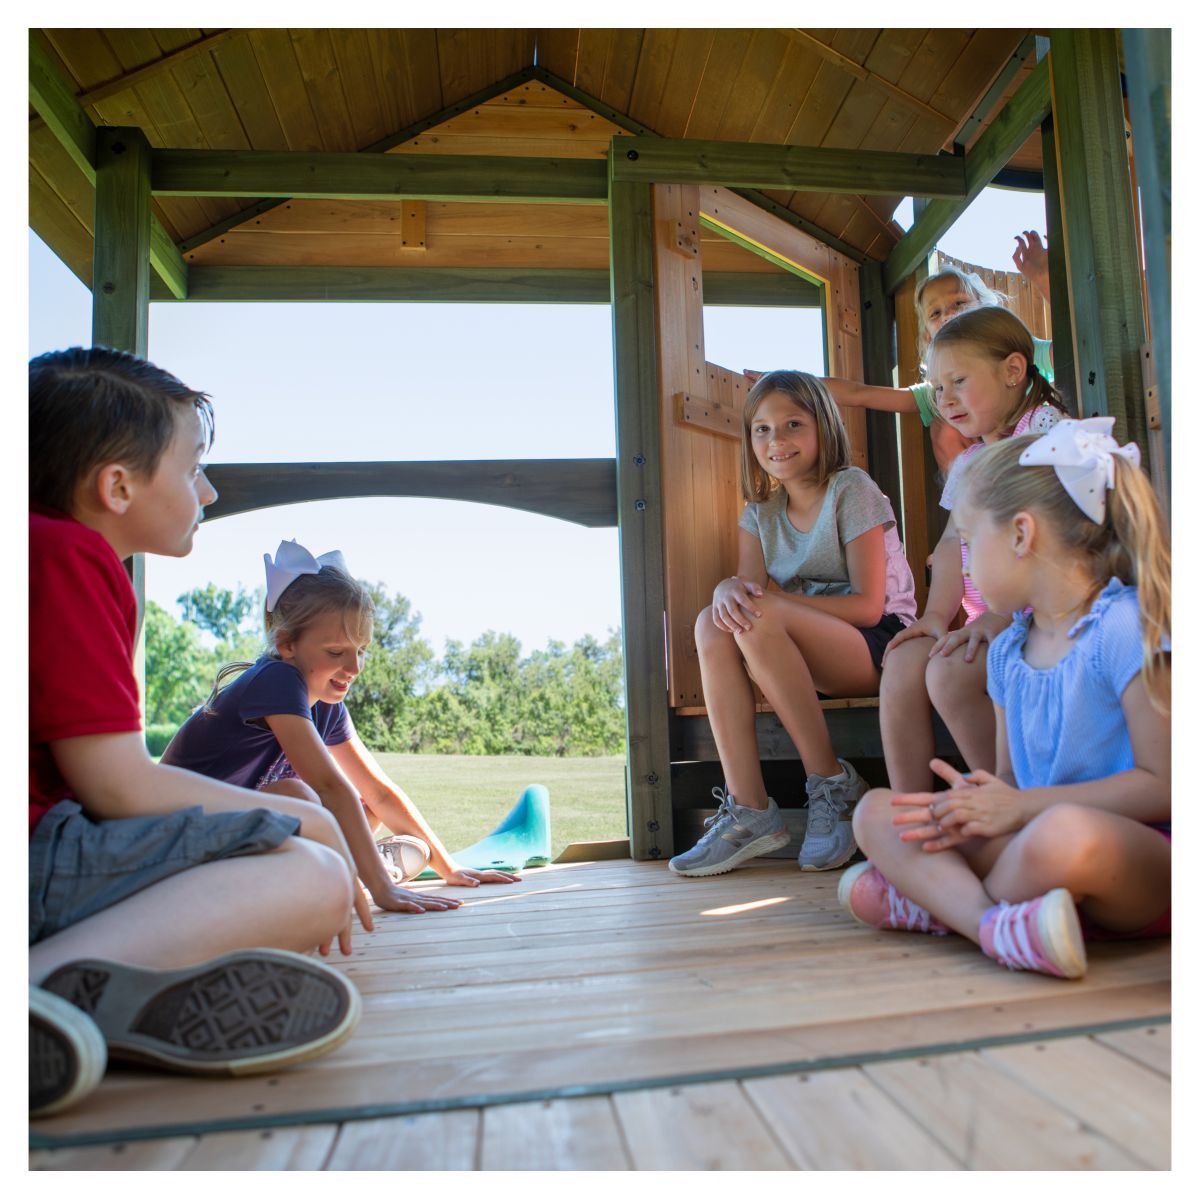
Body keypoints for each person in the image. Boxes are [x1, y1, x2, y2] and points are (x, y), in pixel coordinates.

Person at [29, 348, 364, 1117]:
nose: (208, 490)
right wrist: (298, 821)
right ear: (117, 485)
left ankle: (101, 1002)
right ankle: (43, 993)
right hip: (39, 858)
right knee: (311, 872)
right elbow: (117, 786)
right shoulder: (71, 556)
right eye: (192, 470)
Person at [840, 421, 1170, 979]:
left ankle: (939, 904)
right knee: (878, 813)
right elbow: (1012, 784)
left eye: (969, 543)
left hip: (1137, 862)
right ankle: (999, 926)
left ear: (1021, 535)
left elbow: (1167, 787)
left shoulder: (1126, 627)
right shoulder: (1006, 653)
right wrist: (972, 806)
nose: (963, 566)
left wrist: (1017, 811)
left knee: (1062, 833)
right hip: (1034, 844)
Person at [162, 540, 521, 910]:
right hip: (177, 847)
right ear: (286, 644)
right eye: (336, 653)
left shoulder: (325, 704)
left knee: (365, 806)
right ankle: (361, 872)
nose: (354, 668)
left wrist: (450, 868)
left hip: (234, 840)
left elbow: (378, 793)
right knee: (299, 797)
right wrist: (383, 891)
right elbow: (330, 786)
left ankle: (346, 867)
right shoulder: (276, 679)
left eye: (360, 650)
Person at [668, 371, 917, 878]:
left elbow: (870, 606)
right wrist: (724, 590)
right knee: (714, 622)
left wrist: (774, 605)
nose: (776, 440)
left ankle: (831, 781)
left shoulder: (852, 489)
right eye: (761, 429)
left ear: (823, 428)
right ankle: (750, 808)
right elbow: (747, 595)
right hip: (795, 648)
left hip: (878, 644)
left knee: (758, 613)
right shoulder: (760, 514)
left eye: (792, 425)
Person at [879, 307, 1069, 795]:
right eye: (937, 388)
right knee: (904, 659)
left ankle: (1008, 801)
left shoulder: (1043, 429)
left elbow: (1056, 531)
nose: (945, 399)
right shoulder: (966, 463)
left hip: (1040, 613)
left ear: (1012, 370)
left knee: (949, 674)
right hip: (985, 619)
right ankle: (912, 815)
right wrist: (937, 615)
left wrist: (1002, 618)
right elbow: (950, 543)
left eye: (958, 380)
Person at [747, 256, 1056, 476]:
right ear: (927, 335)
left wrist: (1044, 279)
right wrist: (785, 383)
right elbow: (860, 393)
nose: (948, 315)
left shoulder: (1021, 355)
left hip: (1043, 472)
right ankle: (966, 514)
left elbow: (1072, 346)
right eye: (935, 313)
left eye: (959, 303)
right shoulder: (940, 394)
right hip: (991, 481)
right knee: (943, 426)